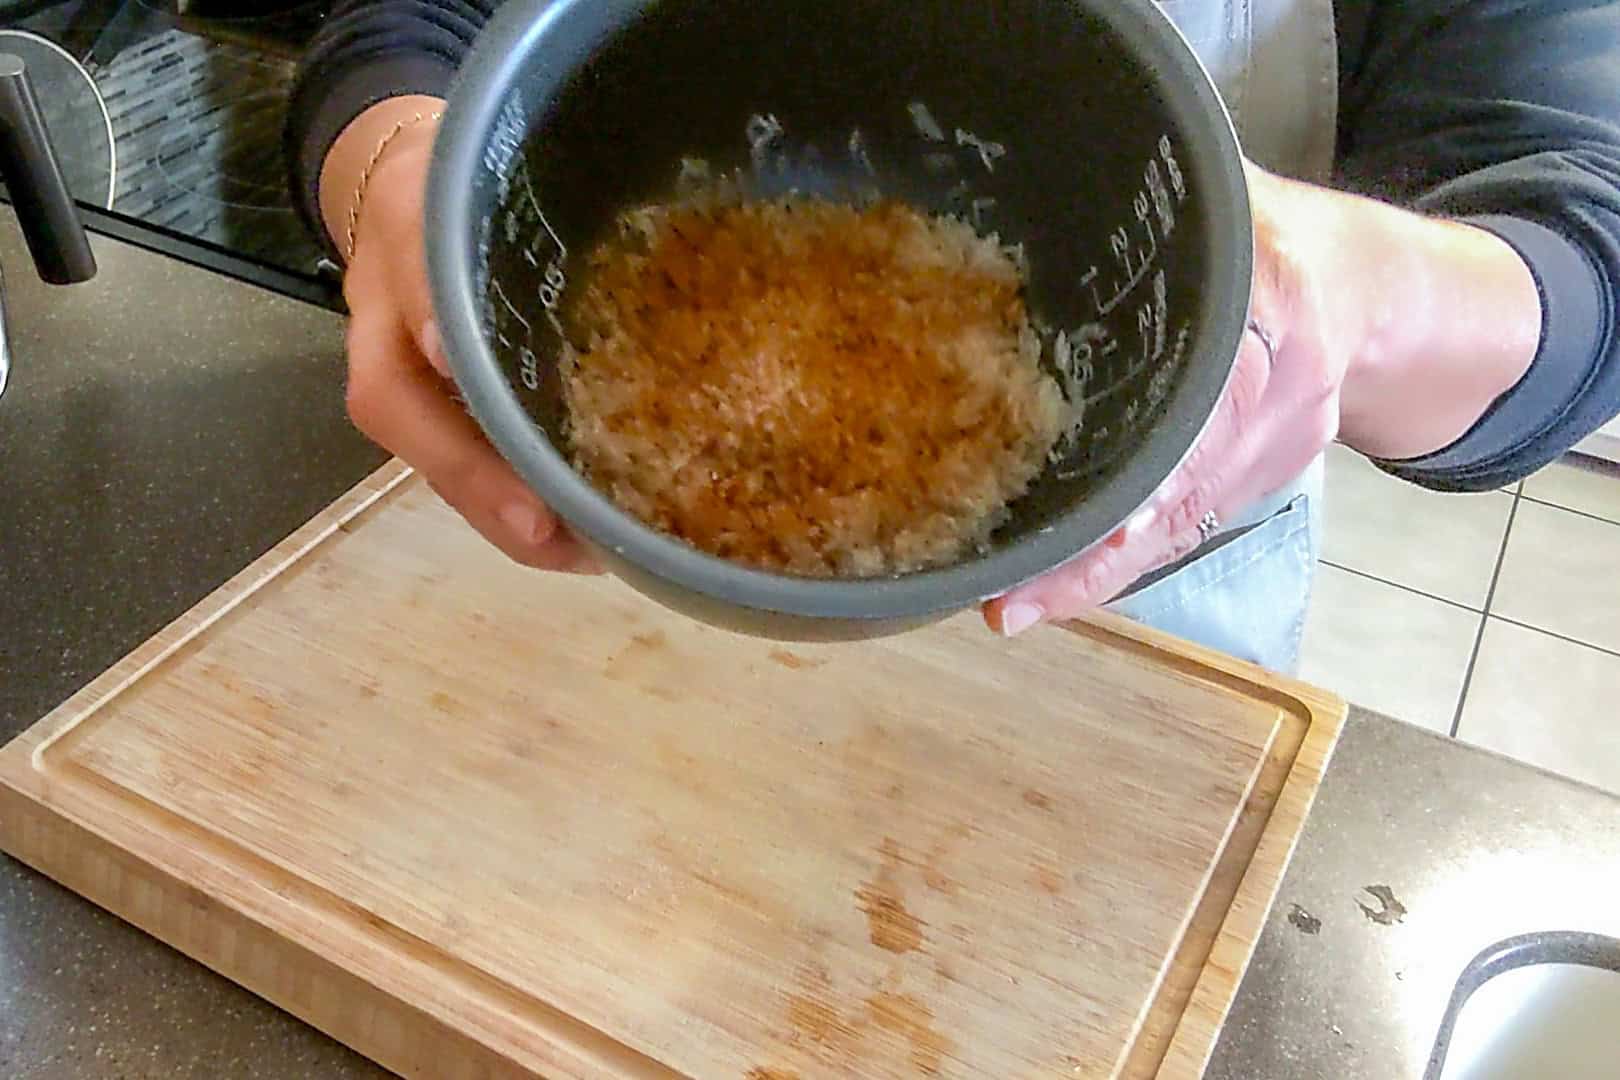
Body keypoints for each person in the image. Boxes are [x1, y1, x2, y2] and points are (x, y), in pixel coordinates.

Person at [288, 0, 1620, 672]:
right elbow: (403, 30)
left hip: (1137, 616)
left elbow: (1582, 241)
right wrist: (394, 168)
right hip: (582, 594)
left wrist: (1368, 294)